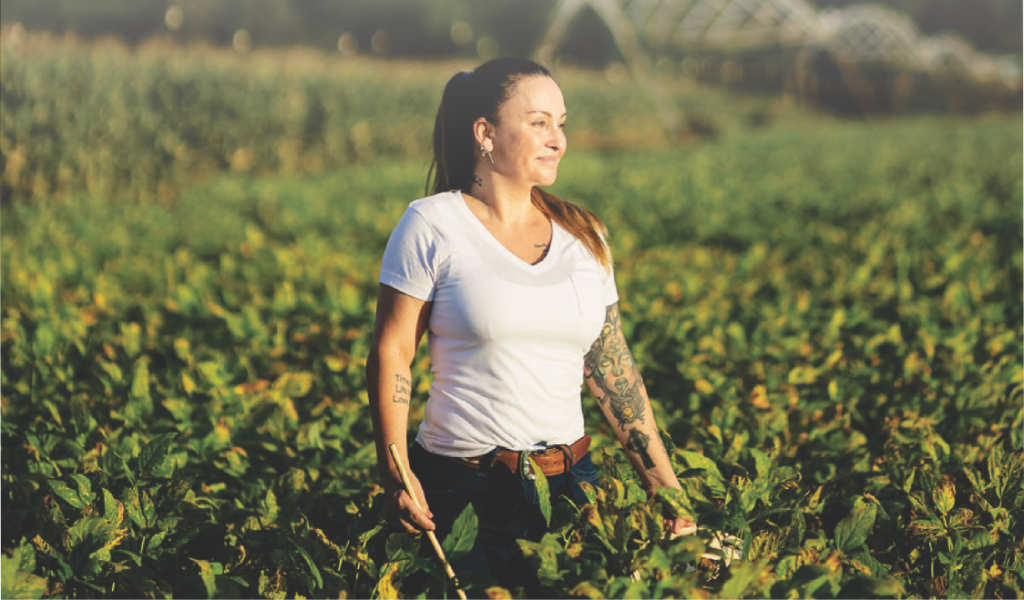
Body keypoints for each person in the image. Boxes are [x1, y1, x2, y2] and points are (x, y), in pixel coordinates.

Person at [366, 57, 694, 592]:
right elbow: (392, 352)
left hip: (571, 486)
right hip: (462, 488)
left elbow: (613, 369)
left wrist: (667, 491)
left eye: (561, 123)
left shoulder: (585, 235)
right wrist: (395, 475)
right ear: (485, 134)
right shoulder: (432, 224)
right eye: (539, 122)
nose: (558, 139)